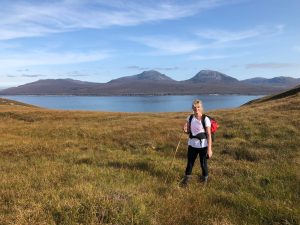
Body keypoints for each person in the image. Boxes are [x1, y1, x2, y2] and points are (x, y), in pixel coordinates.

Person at [181, 99, 212, 186]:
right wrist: (185, 129)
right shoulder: (189, 118)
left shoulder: (205, 119)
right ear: (192, 108)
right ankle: (186, 181)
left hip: (203, 146)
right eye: (195, 107)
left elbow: (209, 135)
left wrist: (209, 150)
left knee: (203, 164)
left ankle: (204, 181)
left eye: (198, 107)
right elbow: (188, 131)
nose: (196, 109)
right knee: (190, 163)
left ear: (201, 108)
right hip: (192, 145)